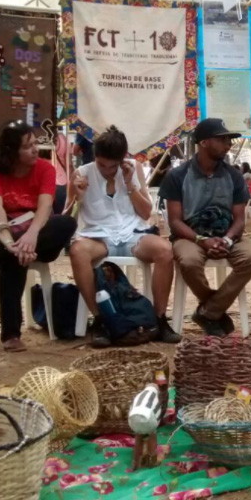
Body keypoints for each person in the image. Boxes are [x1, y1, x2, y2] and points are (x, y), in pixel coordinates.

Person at [0, 121, 77, 352]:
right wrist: (11, 244)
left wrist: (31, 236)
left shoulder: (45, 168)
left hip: (38, 237)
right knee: (14, 258)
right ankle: (11, 336)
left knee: (66, 222)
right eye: (28, 146)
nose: (35, 149)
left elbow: (45, 207)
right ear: (11, 151)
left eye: (35, 143)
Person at [68, 126, 180, 347]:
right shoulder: (82, 173)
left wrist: (130, 185)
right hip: (99, 236)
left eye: (113, 166)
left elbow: (146, 213)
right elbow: (68, 218)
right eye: (102, 165)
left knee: (165, 251)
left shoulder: (132, 169)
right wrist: (78, 198)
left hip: (132, 233)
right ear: (95, 157)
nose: (108, 171)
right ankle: (100, 320)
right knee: (77, 251)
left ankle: (159, 320)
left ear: (122, 158)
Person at [161, 118, 251, 337]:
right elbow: (175, 222)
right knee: (189, 261)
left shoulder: (234, 176)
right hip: (190, 237)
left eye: (229, 140)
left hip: (228, 236)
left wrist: (226, 240)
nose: (228, 144)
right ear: (204, 142)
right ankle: (214, 310)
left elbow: (239, 220)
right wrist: (201, 240)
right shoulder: (177, 176)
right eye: (222, 139)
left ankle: (208, 311)